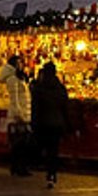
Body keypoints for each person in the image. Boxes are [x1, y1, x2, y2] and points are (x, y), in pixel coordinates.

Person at [29, 60, 70, 188]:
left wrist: (33, 123)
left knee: (44, 148)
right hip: (57, 123)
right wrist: (66, 123)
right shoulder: (60, 89)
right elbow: (65, 107)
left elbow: (35, 108)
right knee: (54, 150)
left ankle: (46, 169)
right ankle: (52, 174)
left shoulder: (39, 89)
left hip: (43, 123)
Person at [0, 54, 32, 174]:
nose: (21, 65)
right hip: (18, 116)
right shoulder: (13, 79)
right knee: (20, 143)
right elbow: (15, 99)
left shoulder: (19, 78)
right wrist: (20, 114)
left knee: (22, 143)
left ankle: (19, 166)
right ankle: (18, 167)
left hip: (23, 113)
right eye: (19, 63)